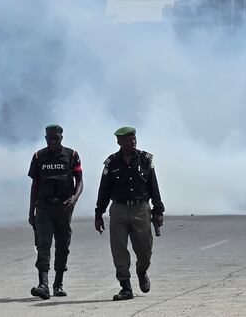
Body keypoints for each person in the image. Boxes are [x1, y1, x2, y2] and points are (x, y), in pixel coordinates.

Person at [95, 126, 165, 301]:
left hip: (141, 209)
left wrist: (158, 209)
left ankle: (142, 271)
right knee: (118, 250)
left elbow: (153, 186)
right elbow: (104, 190)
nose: (132, 143)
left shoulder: (145, 160)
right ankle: (125, 286)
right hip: (118, 210)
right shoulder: (112, 163)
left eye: (134, 139)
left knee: (145, 250)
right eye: (128, 140)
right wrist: (99, 213)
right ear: (119, 142)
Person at [28, 124, 83, 299]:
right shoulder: (38, 156)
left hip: (64, 208)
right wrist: (31, 211)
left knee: (63, 246)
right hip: (43, 207)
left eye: (56, 138)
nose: (53, 141)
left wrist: (74, 198)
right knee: (43, 245)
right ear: (45, 138)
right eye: (50, 138)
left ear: (61, 137)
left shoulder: (72, 155)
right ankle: (43, 285)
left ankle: (58, 284)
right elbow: (35, 184)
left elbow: (80, 181)